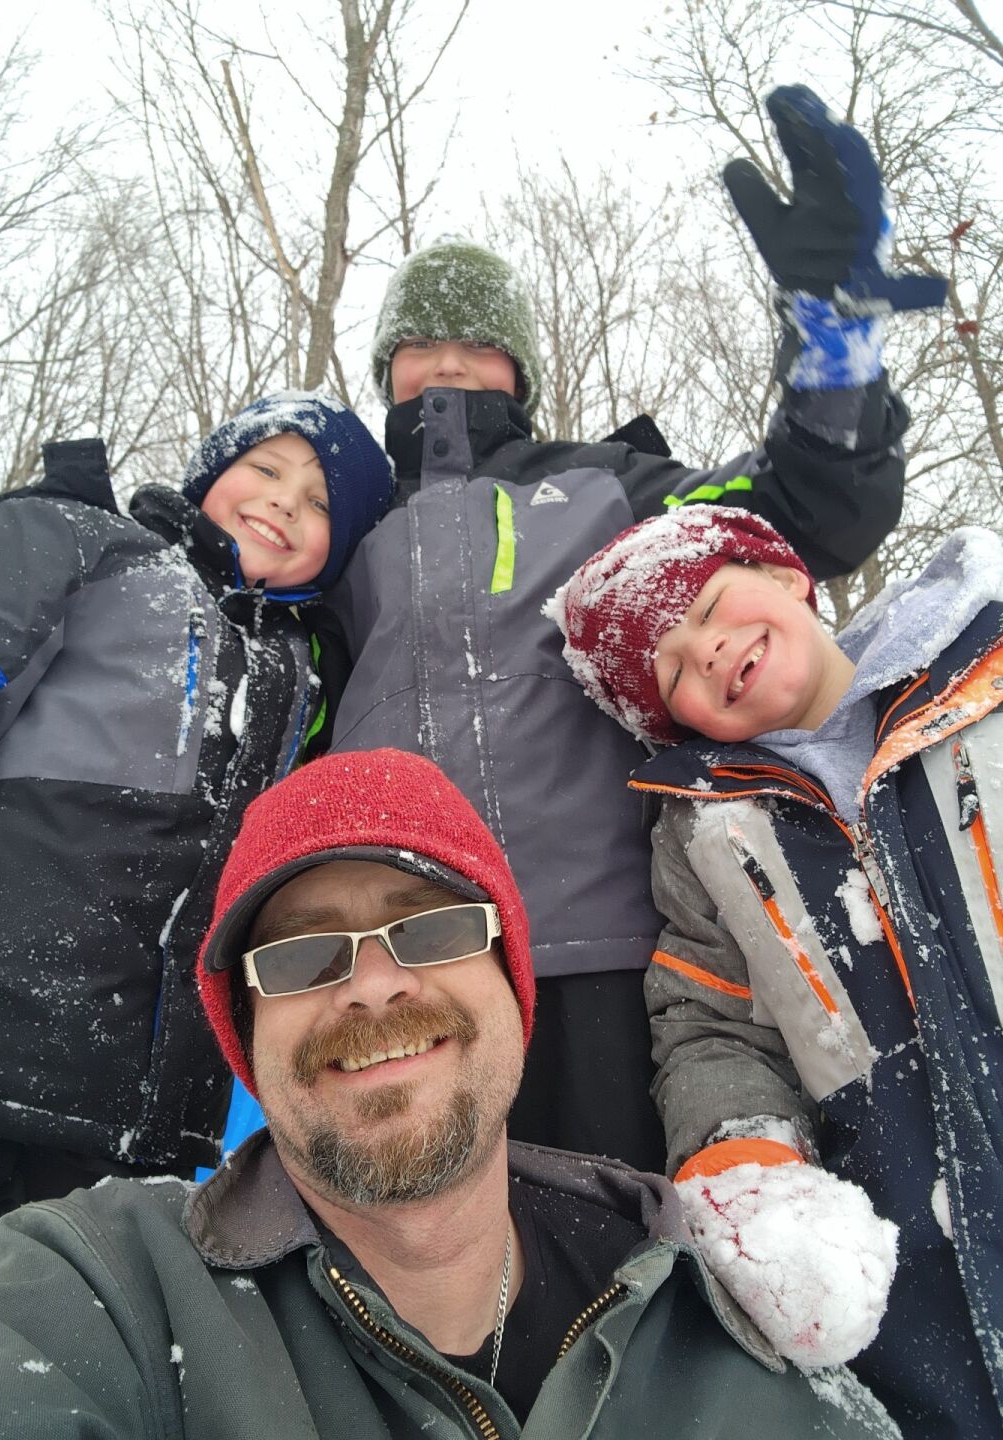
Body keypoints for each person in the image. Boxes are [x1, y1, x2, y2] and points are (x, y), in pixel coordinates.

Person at [316, 84, 946, 1169]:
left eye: (477, 338)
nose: (447, 358)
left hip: (603, 941)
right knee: (434, 1240)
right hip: (400, 955)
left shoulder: (610, 483)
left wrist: (833, 350)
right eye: (418, 341)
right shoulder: (351, 524)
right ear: (385, 370)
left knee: (626, 1229)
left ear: (520, 367)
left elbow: (807, 509)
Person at [0, 747, 902, 1438]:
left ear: (514, 986)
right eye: (302, 954)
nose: (374, 985)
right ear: (245, 1030)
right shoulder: (104, 1290)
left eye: (431, 929)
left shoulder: (708, 1301)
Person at [0, 391, 392, 1301]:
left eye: (321, 502)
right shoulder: (82, 542)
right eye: (265, 468)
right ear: (212, 471)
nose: (284, 501)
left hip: (156, 1146)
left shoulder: (305, 675)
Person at [549, 505, 1003, 1438]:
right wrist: (747, 1161)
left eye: (710, 606)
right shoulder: (703, 827)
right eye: (673, 670)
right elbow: (710, 1022)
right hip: (913, 1242)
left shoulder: (985, 677)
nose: (707, 649)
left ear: (789, 577)